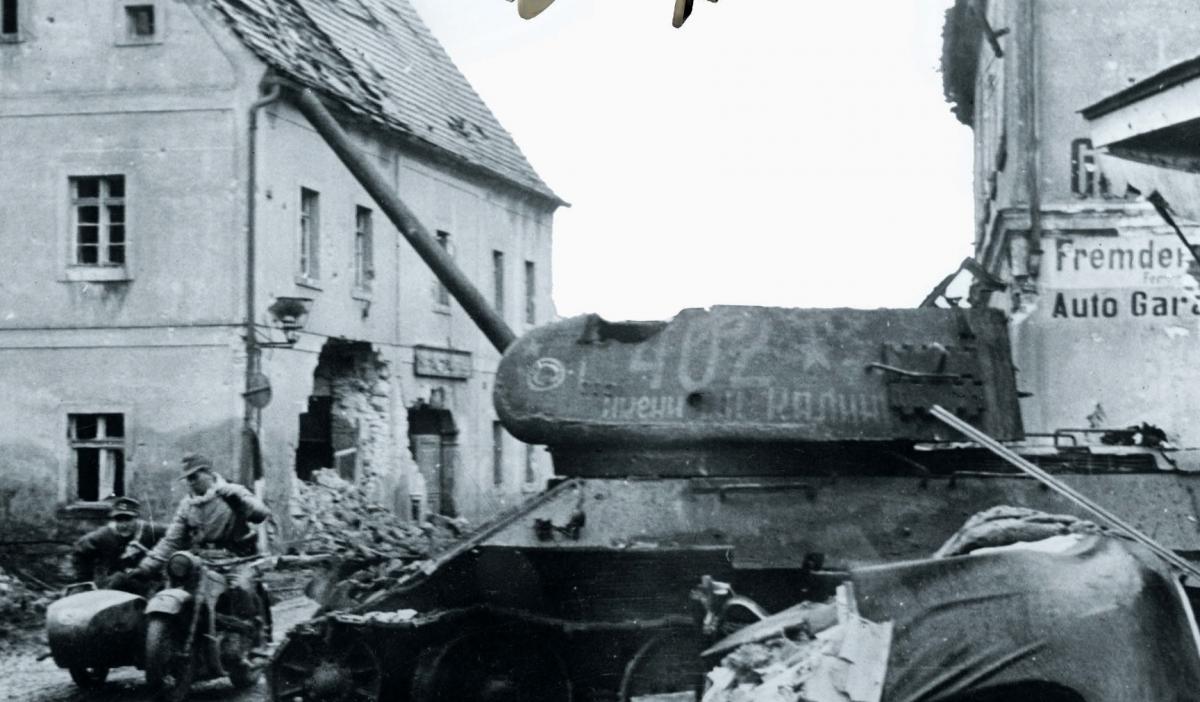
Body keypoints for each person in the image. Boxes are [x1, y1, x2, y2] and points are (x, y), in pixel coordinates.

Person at [133, 453, 271, 618]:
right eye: (188, 479)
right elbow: (172, 540)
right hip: (200, 560)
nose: (191, 482)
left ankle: (250, 628)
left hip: (235, 559)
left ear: (208, 473)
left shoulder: (233, 492)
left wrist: (241, 502)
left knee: (241, 590)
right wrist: (146, 567)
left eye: (194, 477)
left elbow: (260, 514)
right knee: (172, 589)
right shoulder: (187, 505)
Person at [71, 496, 165, 593]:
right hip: (115, 585)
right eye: (119, 520)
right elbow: (80, 551)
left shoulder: (151, 531)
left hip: (148, 583)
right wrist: (85, 580)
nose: (124, 525)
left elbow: (172, 540)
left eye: (128, 519)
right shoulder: (104, 535)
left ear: (137, 518)